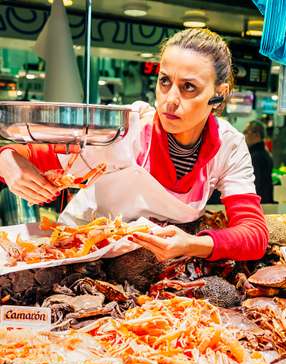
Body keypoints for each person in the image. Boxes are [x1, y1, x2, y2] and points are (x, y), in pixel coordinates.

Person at [0, 28, 268, 262]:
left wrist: (192, 244)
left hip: (157, 267)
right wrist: (9, 163)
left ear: (218, 95)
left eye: (189, 87)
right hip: (84, 256)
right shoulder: (126, 129)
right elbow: (20, 154)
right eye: (165, 81)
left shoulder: (228, 146)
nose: (170, 99)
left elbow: (254, 234)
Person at [244, 120, 274, 204]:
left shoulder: (256, 156)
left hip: (258, 203)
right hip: (264, 201)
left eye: (246, 132)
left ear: (256, 135)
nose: (244, 135)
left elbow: (255, 184)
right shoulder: (264, 153)